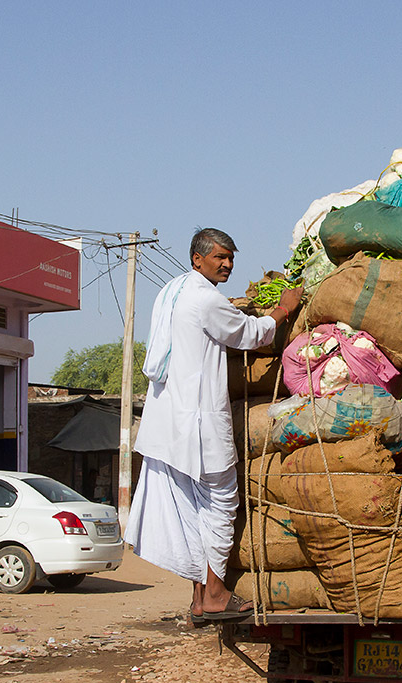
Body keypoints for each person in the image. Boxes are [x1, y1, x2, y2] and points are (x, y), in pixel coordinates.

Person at [124, 227, 303, 624]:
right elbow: (249, 334)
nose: (227, 264)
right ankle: (217, 593)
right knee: (222, 503)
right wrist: (284, 309)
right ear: (197, 259)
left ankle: (199, 599)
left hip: (167, 423)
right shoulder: (206, 299)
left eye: (231, 258)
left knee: (192, 508)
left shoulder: (172, 291)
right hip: (199, 424)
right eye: (220, 257)